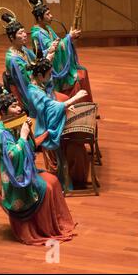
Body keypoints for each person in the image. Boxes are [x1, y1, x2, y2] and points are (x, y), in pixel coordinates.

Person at [0, 84, 75, 245]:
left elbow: (30, 145)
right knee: (45, 188)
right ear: (3, 112)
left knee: (54, 181)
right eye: (14, 107)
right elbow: (12, 156)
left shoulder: (13, 122)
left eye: (17, 105)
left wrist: (27, 131)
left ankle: (55, 225)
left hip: (19, 167)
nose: (19, 109)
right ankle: (41, 228)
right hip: (7, 174)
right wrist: (23, 135)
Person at [26, 55, 90, 188]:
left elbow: (51, 99)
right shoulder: (33, 91)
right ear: (39, 75)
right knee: (69, 145)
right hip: (41, 123)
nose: (51, 77)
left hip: (50, 117)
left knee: (75, 140)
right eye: (49, 74)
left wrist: (65, 106)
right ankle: (61, 179)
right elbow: (49, 107)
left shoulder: (41, 83)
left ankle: (75, 174)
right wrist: (71, 100)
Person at [27, 0, 93, 102]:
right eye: (48, 14)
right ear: (39, 18)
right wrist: (69, 38)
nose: (51, 16)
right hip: (49, 68)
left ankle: (87, 107)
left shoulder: (47, 28)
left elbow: (58, 43)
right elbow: (53, 49)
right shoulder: (37, 34)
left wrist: (70, 39)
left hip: (56, 62)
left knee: (83, 71)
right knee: (78, 77)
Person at [0, 10, 40, 116]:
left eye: (24, 31)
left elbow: (35, 60)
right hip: (22, 90)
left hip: (30, 82)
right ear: (12, 37)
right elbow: (25, 81)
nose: (25, 35)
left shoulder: (22, 49)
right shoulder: (13, 59)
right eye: (20, 33)